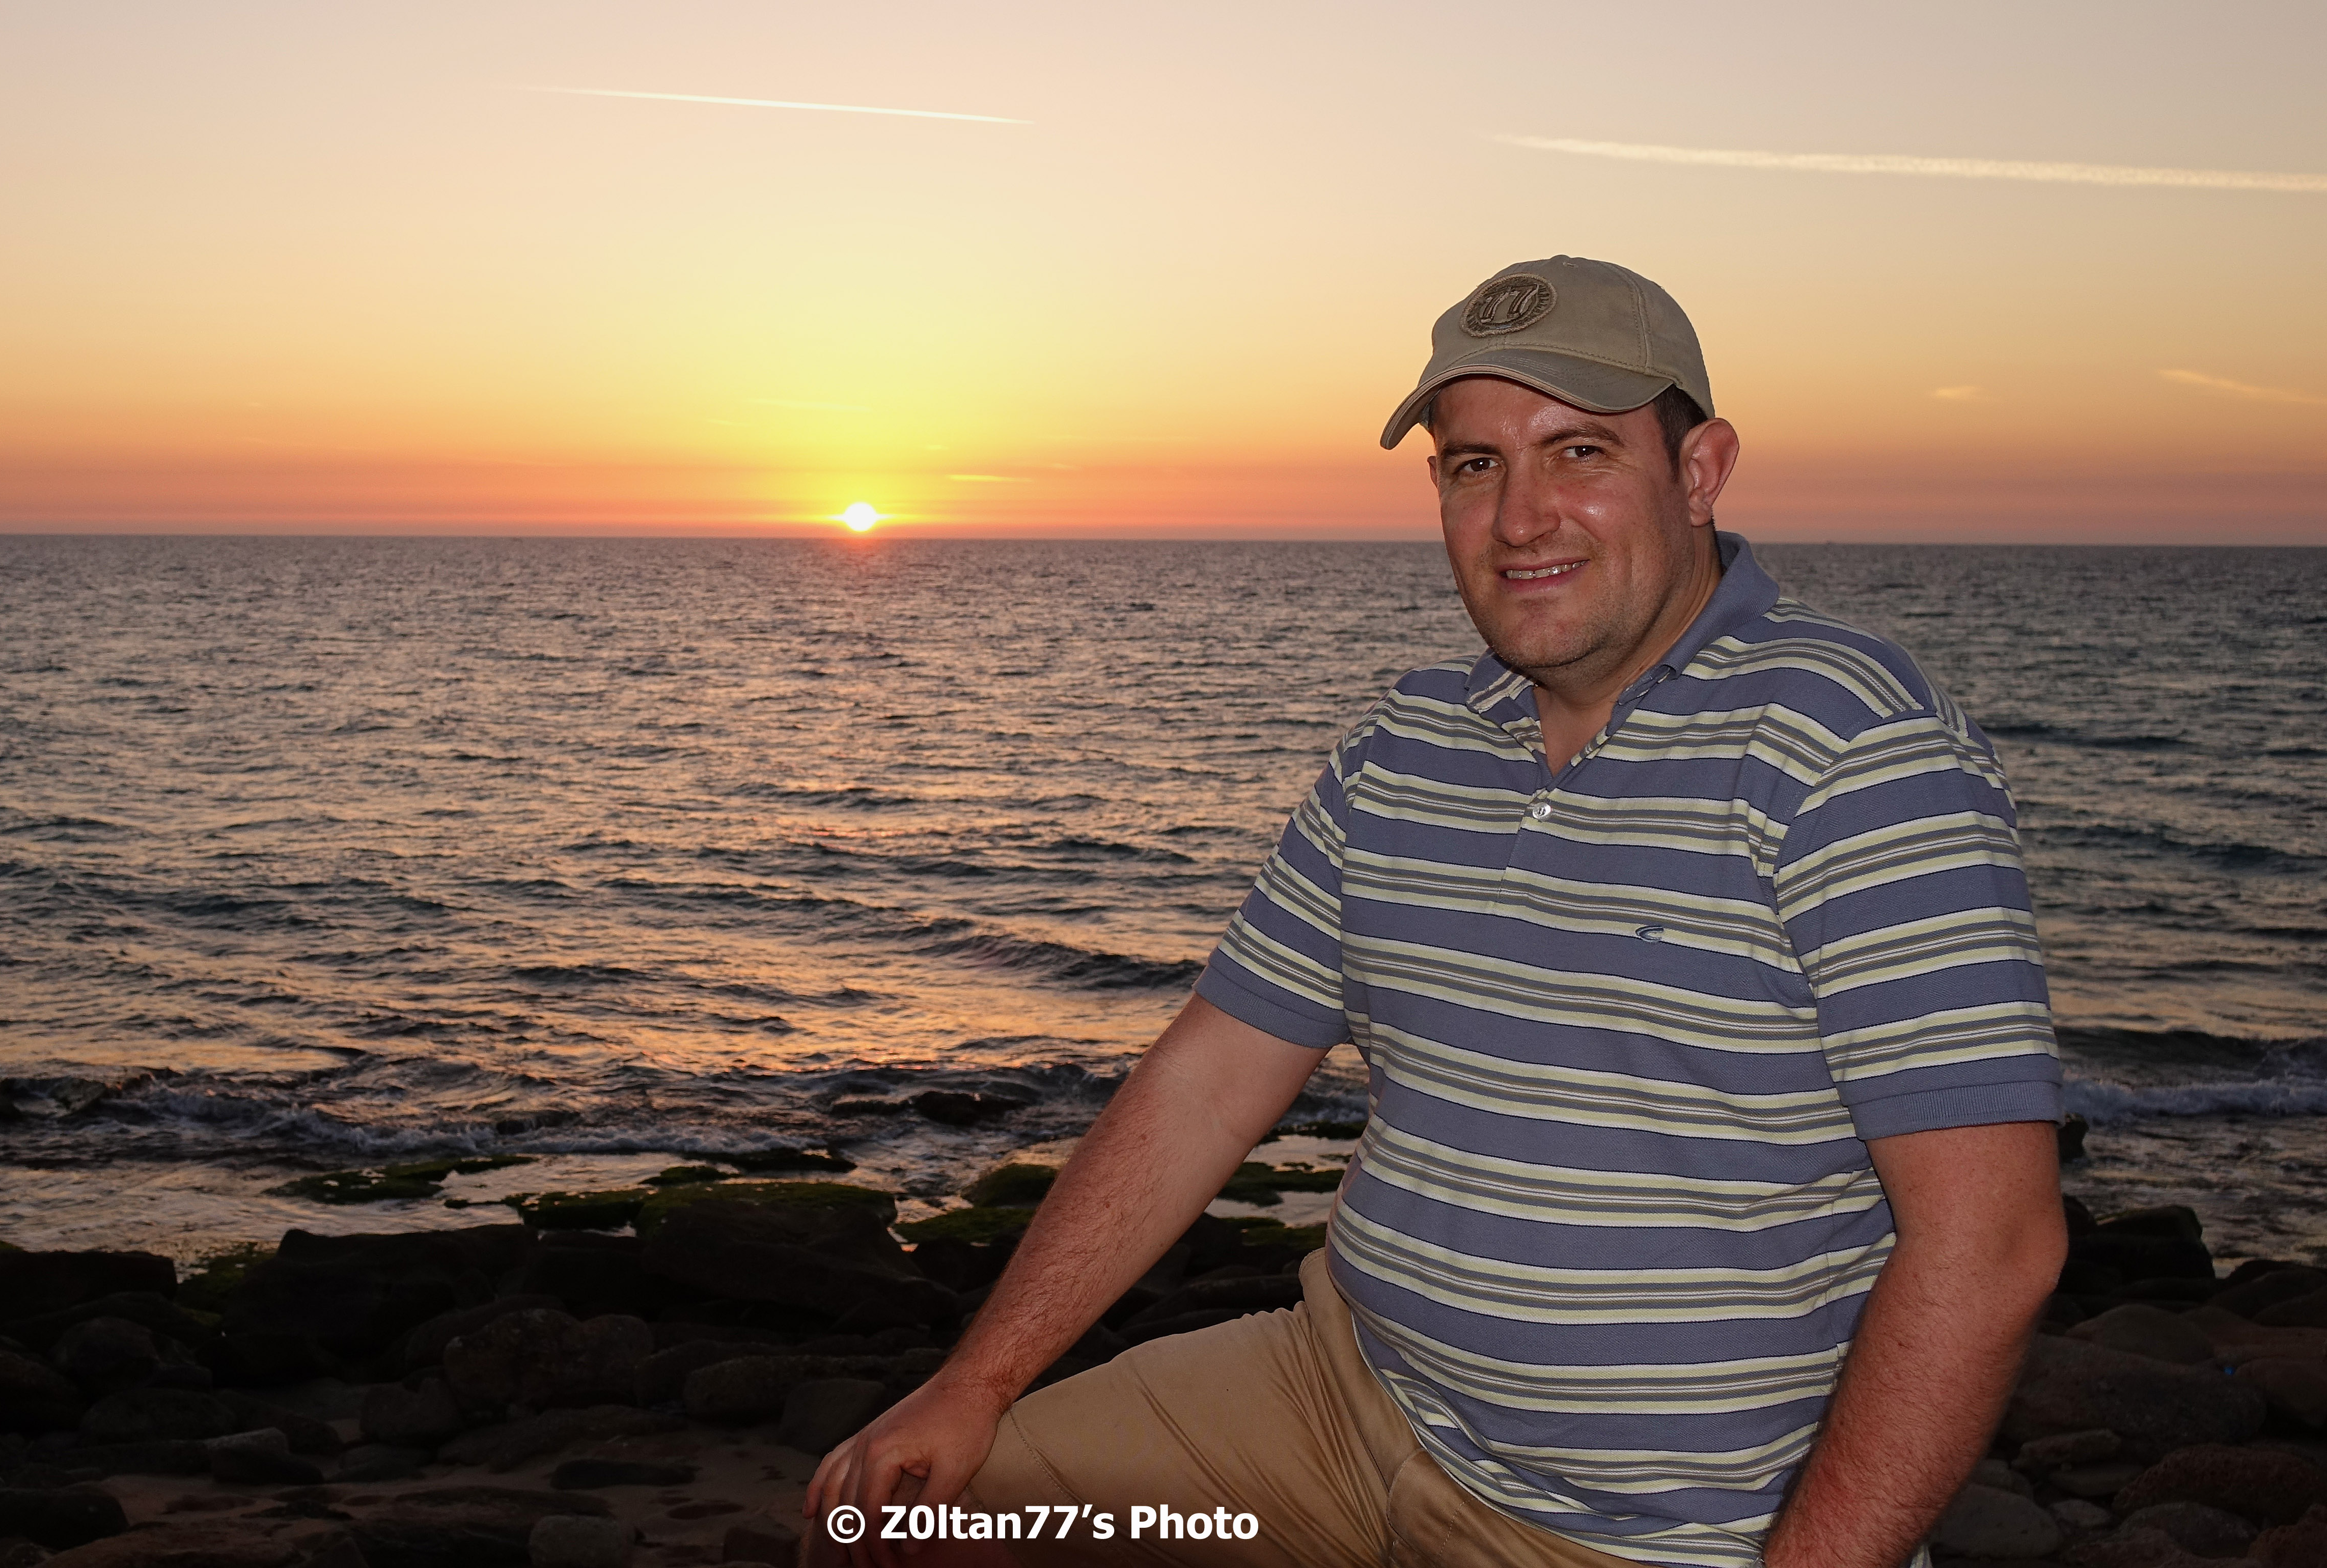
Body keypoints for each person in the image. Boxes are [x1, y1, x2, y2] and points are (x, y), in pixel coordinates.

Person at [802, 256, 2069, 1568]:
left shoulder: (1849, 748)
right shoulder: (1406, 745)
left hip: (1647, 1533)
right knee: (891, 1523)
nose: (1521, 517)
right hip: (1338, 1407)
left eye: (1578, 451)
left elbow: (1991, 1245)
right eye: (1475, 465)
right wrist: (976, 1381)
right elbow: (1210, 1083)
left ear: (1701, 472)